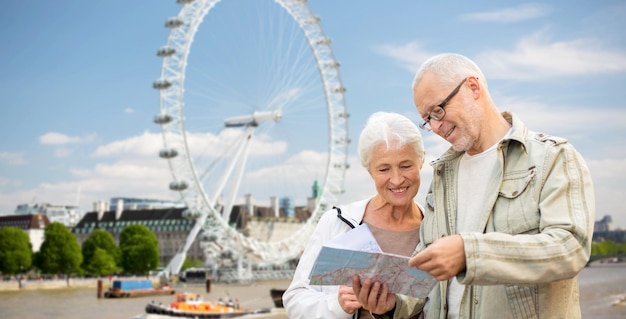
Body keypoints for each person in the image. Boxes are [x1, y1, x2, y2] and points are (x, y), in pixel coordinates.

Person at [353, 53, 596, 319]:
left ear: (473, 87)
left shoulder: (552, 157)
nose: (435, 126)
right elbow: (426, 275)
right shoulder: (442, 175)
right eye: (427, 119)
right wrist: (391, 305)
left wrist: (470, 253)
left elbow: (570, 249)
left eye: (438, 111)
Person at [283, 111, 427, 319]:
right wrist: (338, 305)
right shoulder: (336, 222)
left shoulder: (435, 228)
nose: (396, 180)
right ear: (369, 170)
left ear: (421, 160)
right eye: (384, 169)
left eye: (405, 166)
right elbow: (295, 300)